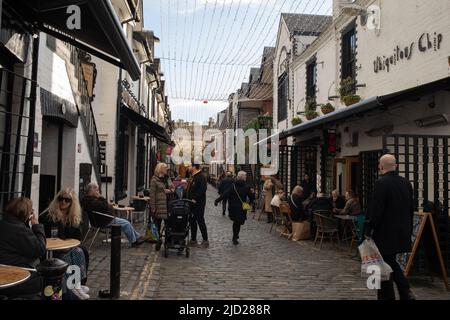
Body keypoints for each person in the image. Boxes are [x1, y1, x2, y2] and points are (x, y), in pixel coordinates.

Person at [367, 154, 415, 300]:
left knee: (385, 262)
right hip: (402, 231)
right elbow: (410, 208)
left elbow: (377, 210)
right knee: (387, 261)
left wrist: (369, 229)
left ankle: (403, 289)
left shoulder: (381, 183)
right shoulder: (406, 183)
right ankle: (394, 293)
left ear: (381, 167)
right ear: (396, 166)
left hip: (385, 233)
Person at [40, 189, 90, 299]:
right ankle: (73, 288)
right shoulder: (48, 215)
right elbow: (43, 235)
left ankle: (76, 286)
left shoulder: (73, 217)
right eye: (60, 199)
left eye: (67, 200)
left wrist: (68, 245)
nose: (63, 202)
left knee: (79, 251)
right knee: (66, 258)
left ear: (72, 203)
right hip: (52, 251)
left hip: (68, 248)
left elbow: (77, 237)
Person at [0, 197, 46, 298]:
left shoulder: (4, 224)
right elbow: (40, 249)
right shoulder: (20, 230)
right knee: (51, 276)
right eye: (31, 210)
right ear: (26, 213)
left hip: (4, 271)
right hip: (18, 276)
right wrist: (37, 226)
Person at [80, 183, 145, 247]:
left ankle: (137, 237)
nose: (98, 192)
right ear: (91, 191)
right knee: (126, 223)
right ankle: (134, 241)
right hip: (105, 221)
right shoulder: (92, 201)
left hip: (104, 219)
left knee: (125, 222)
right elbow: (104, 206)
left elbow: (103, 207)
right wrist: (101, 197)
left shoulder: (90, 200)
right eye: (97, 190)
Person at [214, 171, 254, 245]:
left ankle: (235, 237)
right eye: (245, 176)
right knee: (238, 223)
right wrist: (249, 203)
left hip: (233, 207)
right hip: (242, 208)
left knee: (236, 222)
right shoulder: (246, 187)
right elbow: (252, 197)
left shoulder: (233, 186)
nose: (246, 177)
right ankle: (235, 237)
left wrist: (217, 200)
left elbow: (225, 194)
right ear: (243, 178)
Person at [149, 163, 171, 250]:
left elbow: (173, 188)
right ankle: (158, 241)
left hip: (168, 205)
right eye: (165, 168)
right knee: (157, 225)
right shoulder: (154, 180)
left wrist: (169, 190)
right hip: (159, 206)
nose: (166, 170)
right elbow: (152, 195)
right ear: (160, 169)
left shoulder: (167, 178)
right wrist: (153, 207)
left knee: (168, 225)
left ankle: (167, 242)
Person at [186, 164, 209, 247]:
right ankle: (193, 240)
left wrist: (195, 198)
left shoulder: (201, 176)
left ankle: (205, 240)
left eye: (189, 166)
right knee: (192, 221)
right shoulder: (193, 176)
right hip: (191, 203)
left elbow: (203, 189)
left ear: (194, 167)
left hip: (198, 203)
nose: (188, 167)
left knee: (200, 220)